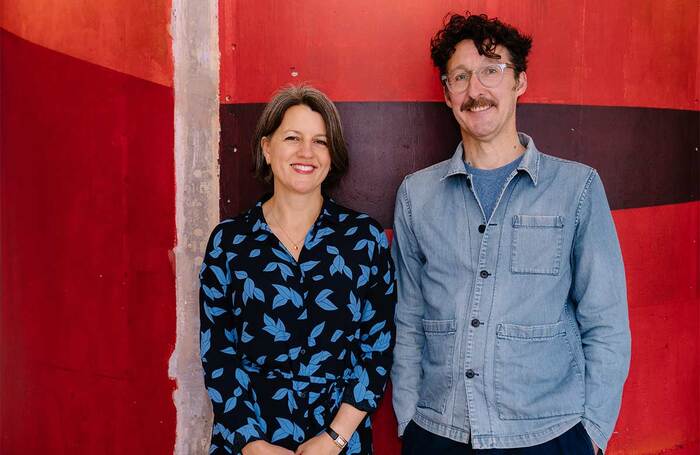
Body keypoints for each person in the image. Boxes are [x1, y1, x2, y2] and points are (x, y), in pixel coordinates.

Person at [391, 12, 631, 455]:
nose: (475, 90)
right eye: (460, 76)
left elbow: (606, 321)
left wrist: (592, 433)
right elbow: (409, 317)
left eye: (491, 70)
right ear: (446, 93)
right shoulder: (416, 195)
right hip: (438, 432)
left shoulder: (575, 188)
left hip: (550, 436)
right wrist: (408, 419)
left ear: (519, 81)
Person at [199, 85, 396, 455]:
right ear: (267, 148)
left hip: (339, 443)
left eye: (320, 141)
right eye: (293, 138)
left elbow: (376, 348)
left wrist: (335, 438)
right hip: (248, 442)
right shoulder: (230, 242)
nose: (307, 152)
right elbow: (219, 353)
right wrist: (253, 444)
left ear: (331, 154)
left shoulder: (362, 239)